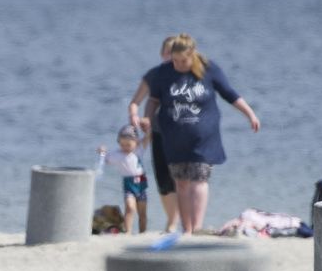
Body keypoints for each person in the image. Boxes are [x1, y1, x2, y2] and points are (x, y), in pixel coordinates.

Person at [140, 34, 260, 234]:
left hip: (204, 137)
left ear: (192, 54)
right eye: (175, 60)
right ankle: (186, 229)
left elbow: (229, 94)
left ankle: (197, 226)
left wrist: (250, 114)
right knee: (181, 182)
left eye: (183, 60)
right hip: (174, 137)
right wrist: (147, 118)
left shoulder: (208, 69)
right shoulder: (164, 72)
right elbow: (153, 99)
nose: (178, 65)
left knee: (199, 178)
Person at [127, 36, 179, 233]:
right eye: (167, 52)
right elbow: (135, 102)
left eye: (174, 52)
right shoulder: (154, 75)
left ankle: (182, 223)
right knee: (164, 179)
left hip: (183, 133)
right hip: (158, 131)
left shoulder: (188, 74)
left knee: (183, 179)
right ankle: (172, 222)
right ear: (161, 53)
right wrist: (134, 116)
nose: (170, 56)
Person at [97, 126, 149, 234]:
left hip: (141, 184)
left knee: (142, 213)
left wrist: (147, 127)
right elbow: (105, 158)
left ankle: (142, 233)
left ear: (136, 142)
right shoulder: (117, 154)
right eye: (122, 144)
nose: (125, 147)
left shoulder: (138, 150)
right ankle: (128, 232)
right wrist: (101, 151)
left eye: (128, 144)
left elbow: (148, 137)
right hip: (128, 185)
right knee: (130, 208)